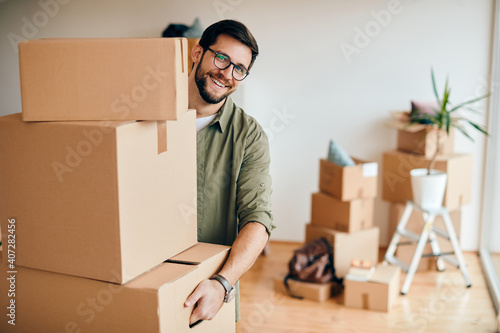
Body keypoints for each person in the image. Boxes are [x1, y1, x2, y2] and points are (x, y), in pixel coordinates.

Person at [183, 19, 275, 325]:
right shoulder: (145, 117)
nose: (227, 74)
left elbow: (258, 219)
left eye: (239, 68)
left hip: (206, 287)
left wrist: (222, 283)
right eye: (221, 58)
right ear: (198, 53)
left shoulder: (249, 136)